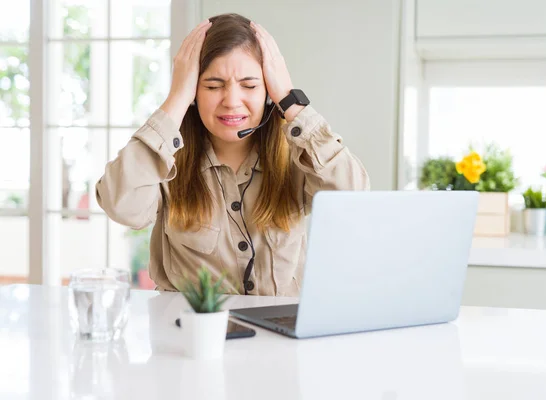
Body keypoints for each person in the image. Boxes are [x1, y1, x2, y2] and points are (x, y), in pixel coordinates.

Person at [96, 13, 369, 296]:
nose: (232, 101)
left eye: (250, 86)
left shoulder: (299, 157)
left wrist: (290, 100)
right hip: (190, 333)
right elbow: (121, 206)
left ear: (267, 93)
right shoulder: (165, 160)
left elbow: (353, 197)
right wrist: (176, 98)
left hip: (278, 338)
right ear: (194, 92)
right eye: (213, 86)